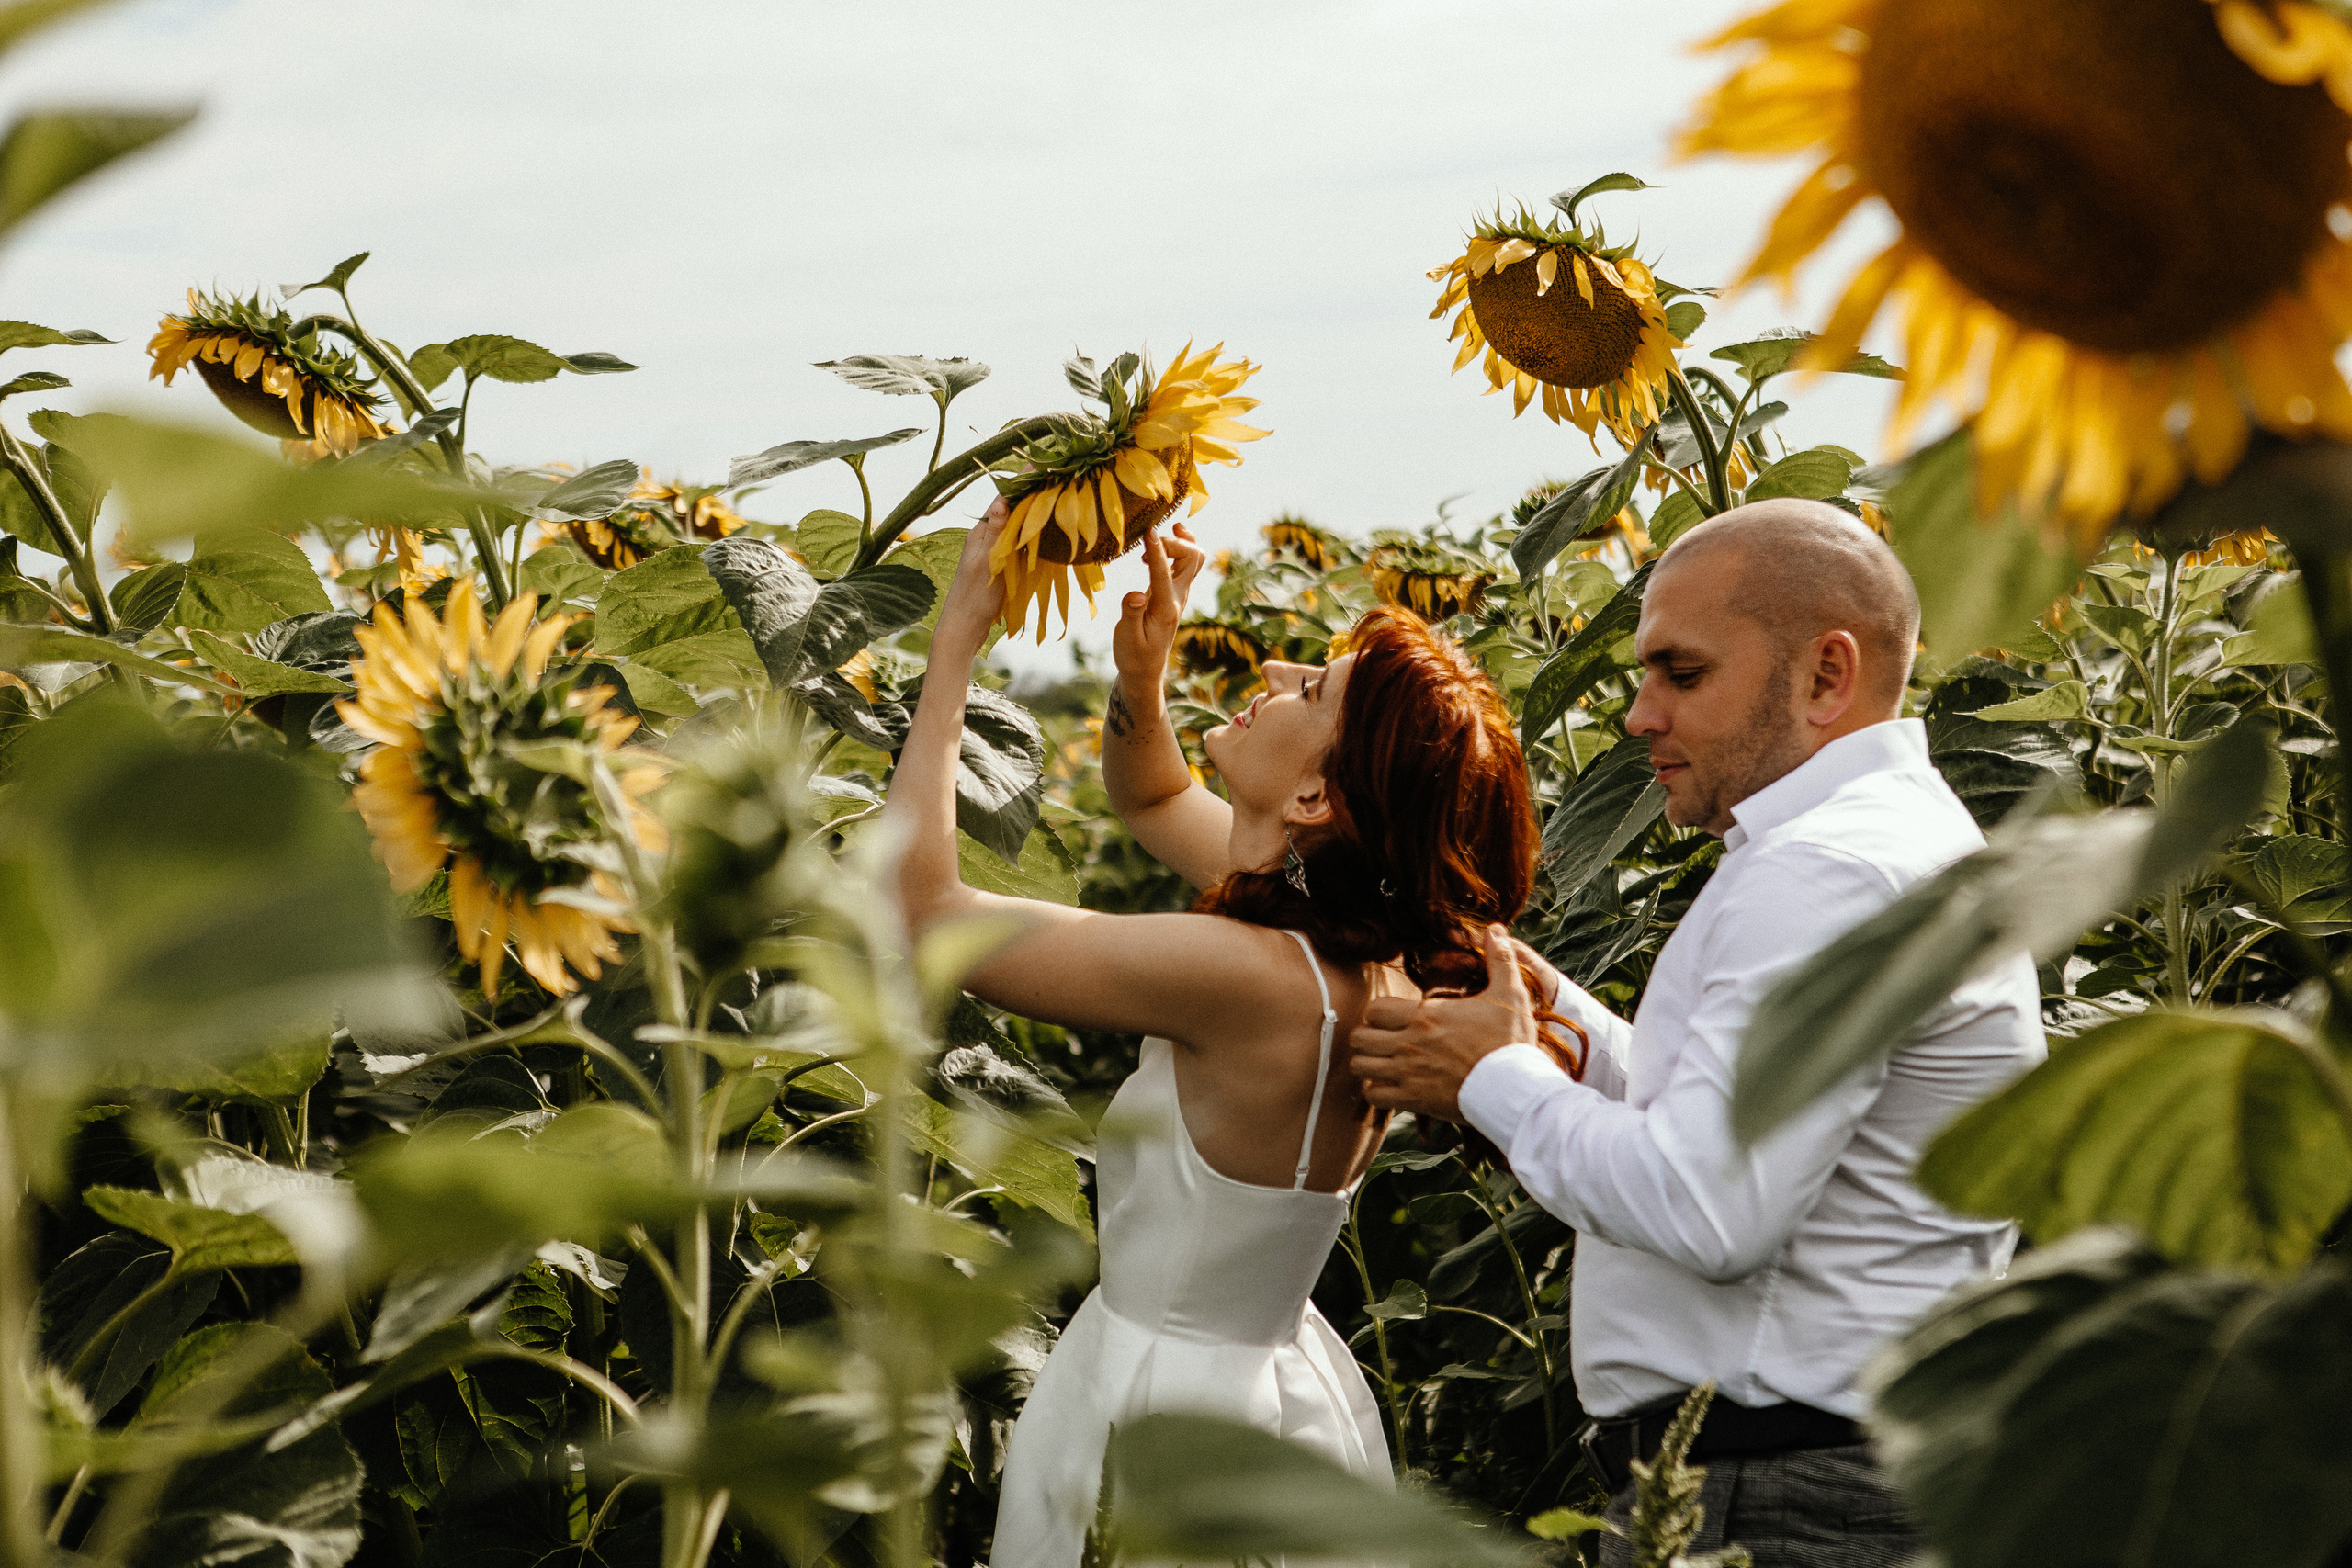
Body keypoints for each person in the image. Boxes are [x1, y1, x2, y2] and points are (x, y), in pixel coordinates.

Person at [1345, 500, 2047, 1568]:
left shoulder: (1825, 873)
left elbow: (1710, 1204)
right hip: (1831, 1476)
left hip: (1784, 1498)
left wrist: (1492, 1077)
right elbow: (1751, 1130)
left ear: (1825, 674)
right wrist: (1558, 1018)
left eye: (1682, 674)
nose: (1637, 715)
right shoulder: (1878, 844)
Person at [885, 501, 1555, 1568]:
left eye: (1316, 689)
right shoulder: (1333, 952)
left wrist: (955, 642)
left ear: (1313, 794)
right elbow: (1152, 796)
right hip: (1263, 1384)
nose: (1280, 670)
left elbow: (923, 918)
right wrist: (1142, 675)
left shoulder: (1244, 977)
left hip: (1158, 1407)